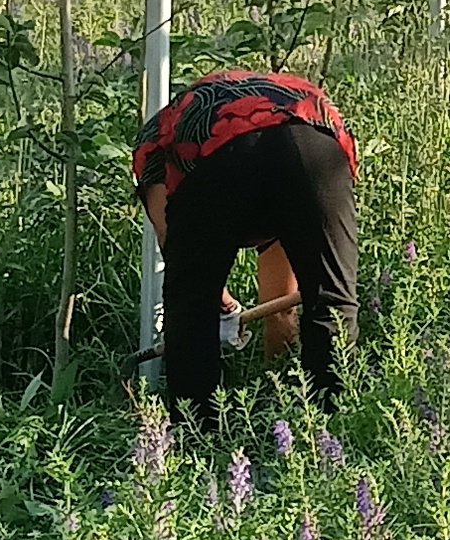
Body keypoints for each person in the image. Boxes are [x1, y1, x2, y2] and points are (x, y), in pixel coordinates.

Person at [136, 67, 361, 412]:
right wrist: (226, 304)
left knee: (190, 306)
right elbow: (288, 286)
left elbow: (177, 247)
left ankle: (196, 440)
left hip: (214, 140)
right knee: (330, 297)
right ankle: (333, 430)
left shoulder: (155, 143)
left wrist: (211, 302)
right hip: (315, 135)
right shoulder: (165, 137)